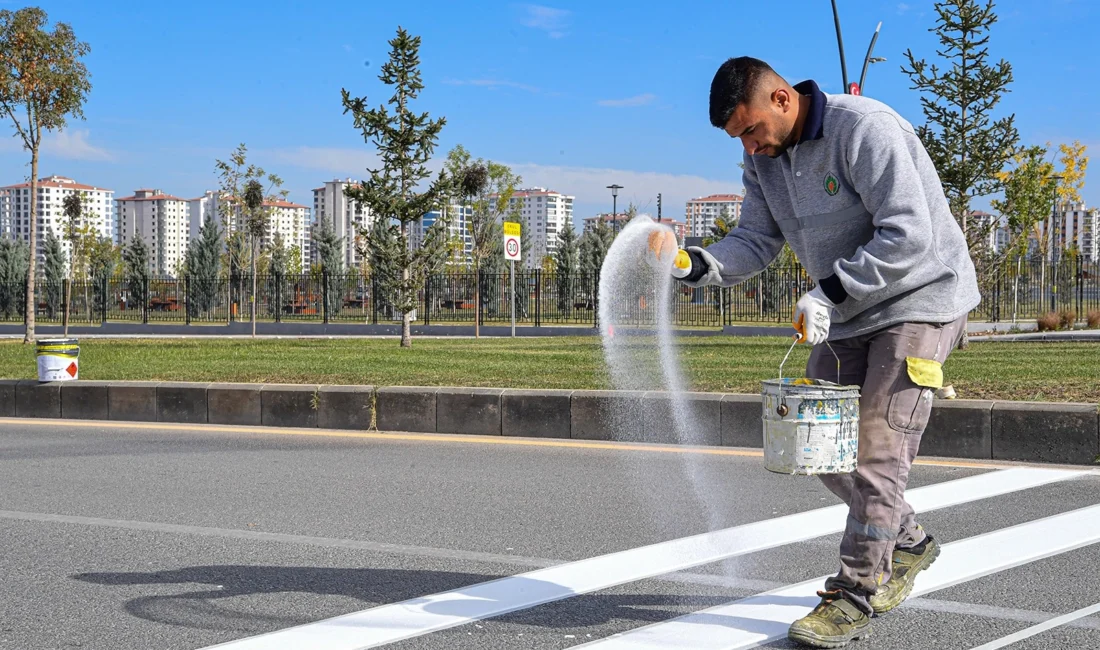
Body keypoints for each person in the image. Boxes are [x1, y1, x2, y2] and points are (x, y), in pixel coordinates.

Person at [647, 56, 980, 648]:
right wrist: (693, 263)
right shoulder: (763, 160)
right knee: (820, 444)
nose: (749, 147)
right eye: (738, 139)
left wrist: (828, 289)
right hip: (848, 312)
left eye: (751, 130)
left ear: (780, 100)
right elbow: (755, 239)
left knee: (877, 446)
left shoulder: (866, 128)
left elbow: (909, 234)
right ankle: (906, 543)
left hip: (922, 300)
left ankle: (856, 593)